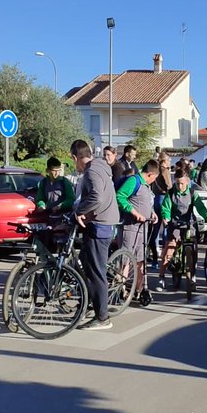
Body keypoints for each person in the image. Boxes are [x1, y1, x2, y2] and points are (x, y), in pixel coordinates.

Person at [73, 139, 120, 331]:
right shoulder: (100, 166)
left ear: (75, 157)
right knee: (87, 262)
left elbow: (96, 197)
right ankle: (89, 302)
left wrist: (79, 211)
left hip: (100, 225)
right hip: (103, 222)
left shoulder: (92, 172)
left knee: (96, 271)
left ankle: (102, 317)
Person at [156, 164, 207, 291]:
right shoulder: (171, 194)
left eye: (181, 183)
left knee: (193, 250)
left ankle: (192, 277)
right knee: (169, 249)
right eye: (177, 183)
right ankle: (161, 277)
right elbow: (166, 207)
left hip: (189, 225)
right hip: (174, 224)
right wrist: (166, 217)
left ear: (187, 182)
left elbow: (200, 207)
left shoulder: (193, 194)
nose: (179, 186)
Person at [116, 160, 161, 304]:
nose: (154, 181)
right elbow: (120, 196)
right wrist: (134, 213)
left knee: (140, 260)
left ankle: (139, 289)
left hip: (143, 228)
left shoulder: (146, 186)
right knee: (126, 260)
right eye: (154, 178)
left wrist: (152, 213)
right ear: (150, 174)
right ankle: (120, 289)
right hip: (131, 227)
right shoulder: (133, 181)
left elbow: (145, 203)